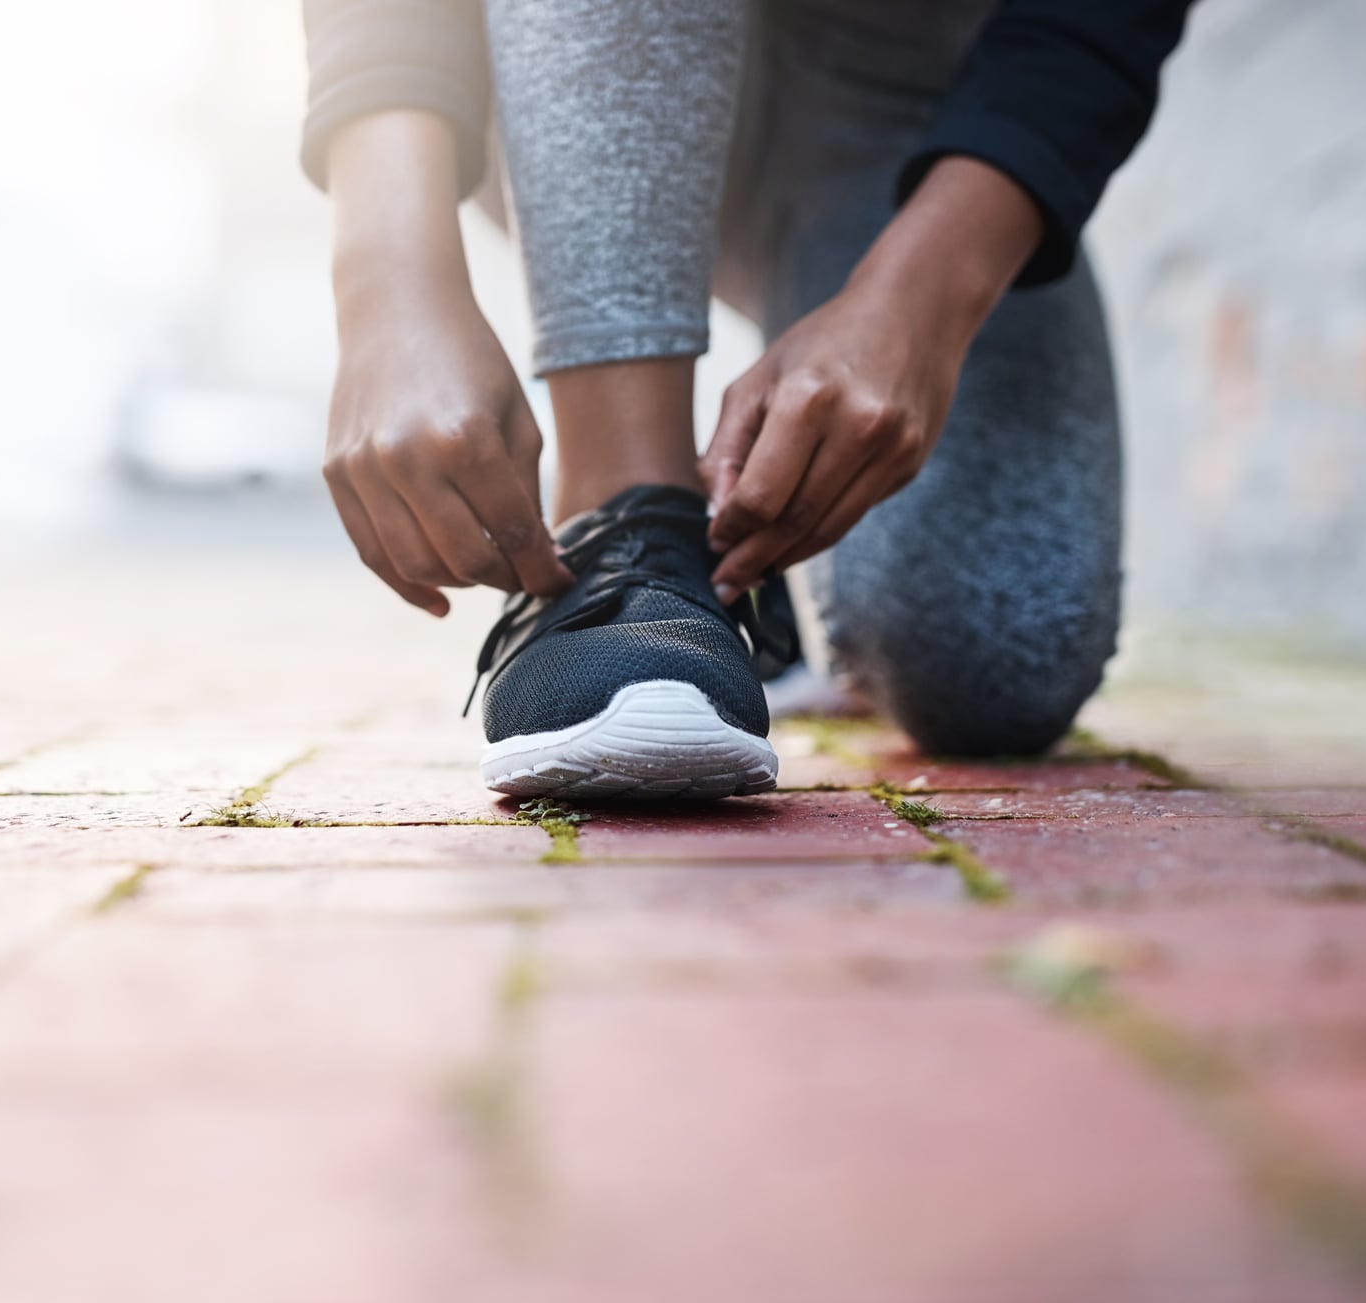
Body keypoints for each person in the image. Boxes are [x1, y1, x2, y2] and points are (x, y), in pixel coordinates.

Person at [301, 0, 1194, 799]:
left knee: (998, 657)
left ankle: (778, 601)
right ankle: (622, 521)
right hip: (588, 67)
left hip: (927, 115)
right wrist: (385, 281)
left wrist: (923, 306)